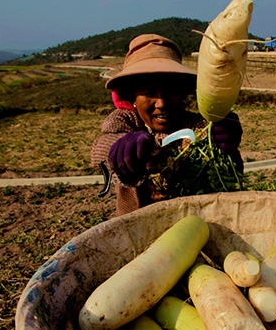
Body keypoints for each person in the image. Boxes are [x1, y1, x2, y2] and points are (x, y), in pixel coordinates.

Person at [91, 34, 244, 216]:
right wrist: (121, 147)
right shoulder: (124, 120)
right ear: (132, 97)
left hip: (191, 226)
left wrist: (224, 141)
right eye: (149, 92)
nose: (161, 103)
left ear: (182, 94)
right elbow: (103, 144)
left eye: (172, 91)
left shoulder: (196, 125)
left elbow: (229, 169)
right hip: (135, 229)